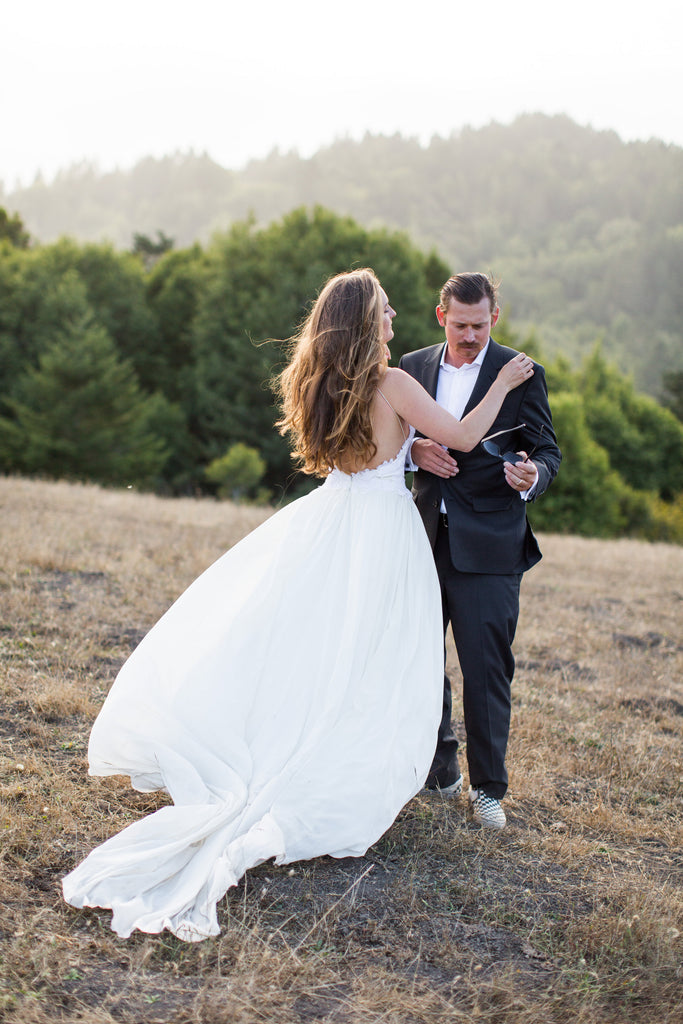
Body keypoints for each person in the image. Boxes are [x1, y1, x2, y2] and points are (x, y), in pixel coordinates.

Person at [62, 269, 534, 941]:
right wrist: (503, 386)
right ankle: (347, 758)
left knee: (316, 644)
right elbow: (460, 438)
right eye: (385, 309)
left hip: (332, 517)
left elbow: (367, 453)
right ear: (366, 319)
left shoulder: (322, 382)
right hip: (381, 532)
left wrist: (407, 453)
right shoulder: (392, 382)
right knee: (374, 652)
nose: (395, 316)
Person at [399, 272, 561, 829]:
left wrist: (533, 474)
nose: (471, 335)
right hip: (421, 535)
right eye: (461, 324)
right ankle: (441, 770)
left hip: (491, 542)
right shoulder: (413, 365)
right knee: (421, 661)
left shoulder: (520, 372)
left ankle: (488, 789)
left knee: (486, 668)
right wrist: (415, 450)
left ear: (496, 317)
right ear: (441, 317)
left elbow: (547, 450)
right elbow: (390, 436)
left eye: (482, 324)